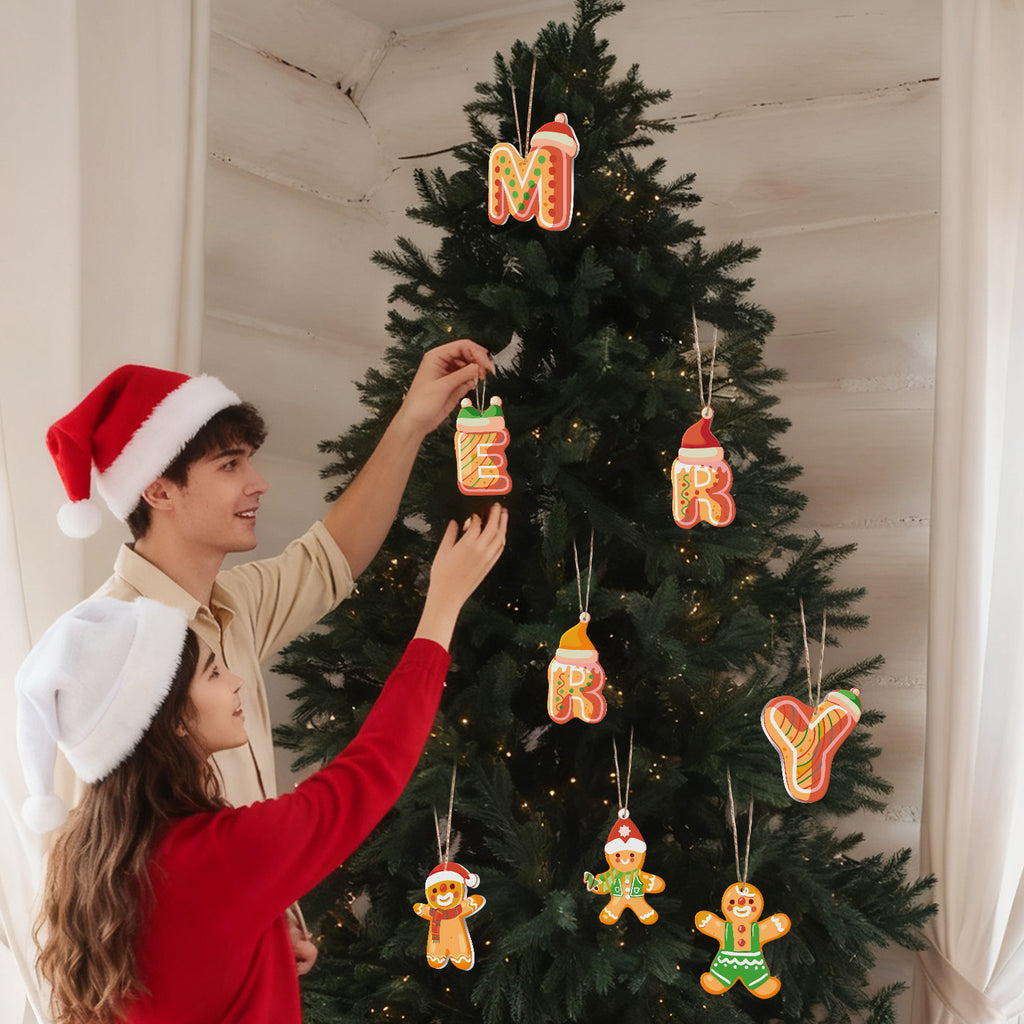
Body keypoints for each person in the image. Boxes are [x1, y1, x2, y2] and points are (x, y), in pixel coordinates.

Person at [43, 341, 493, 971]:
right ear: (159, 489)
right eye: (230, 465)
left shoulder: (233, 603)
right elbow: (94, 873)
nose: (259, 482)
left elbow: (330, 558)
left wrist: (413, 421)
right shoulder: (106, 651)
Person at [16, 503, 507, 1024]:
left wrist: (262, 944)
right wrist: (443, 606)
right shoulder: (216, 857)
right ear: (171, 719)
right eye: (212, 671)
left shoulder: (93, 858)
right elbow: (372, 768)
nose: (235, 680)